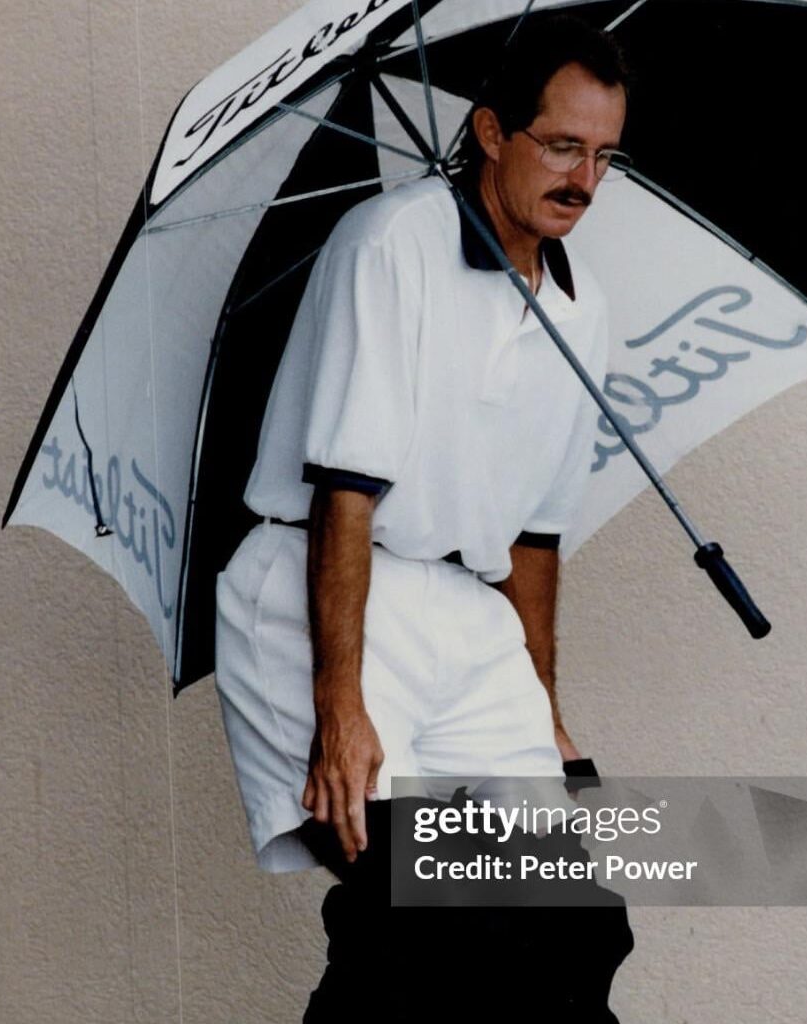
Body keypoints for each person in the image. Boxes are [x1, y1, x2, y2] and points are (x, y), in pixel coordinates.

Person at [214, 15, 634, 1022]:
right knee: (424, 909)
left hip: (467, 612)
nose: (583, 178)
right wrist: (341, 705)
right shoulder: (391, 243)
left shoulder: (583, 313)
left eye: (604, 154)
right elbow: (344, 493)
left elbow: (534, 541)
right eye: (563, 145)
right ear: (491, 132)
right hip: (326, 589)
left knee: (578, 916)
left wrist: (545, 707)